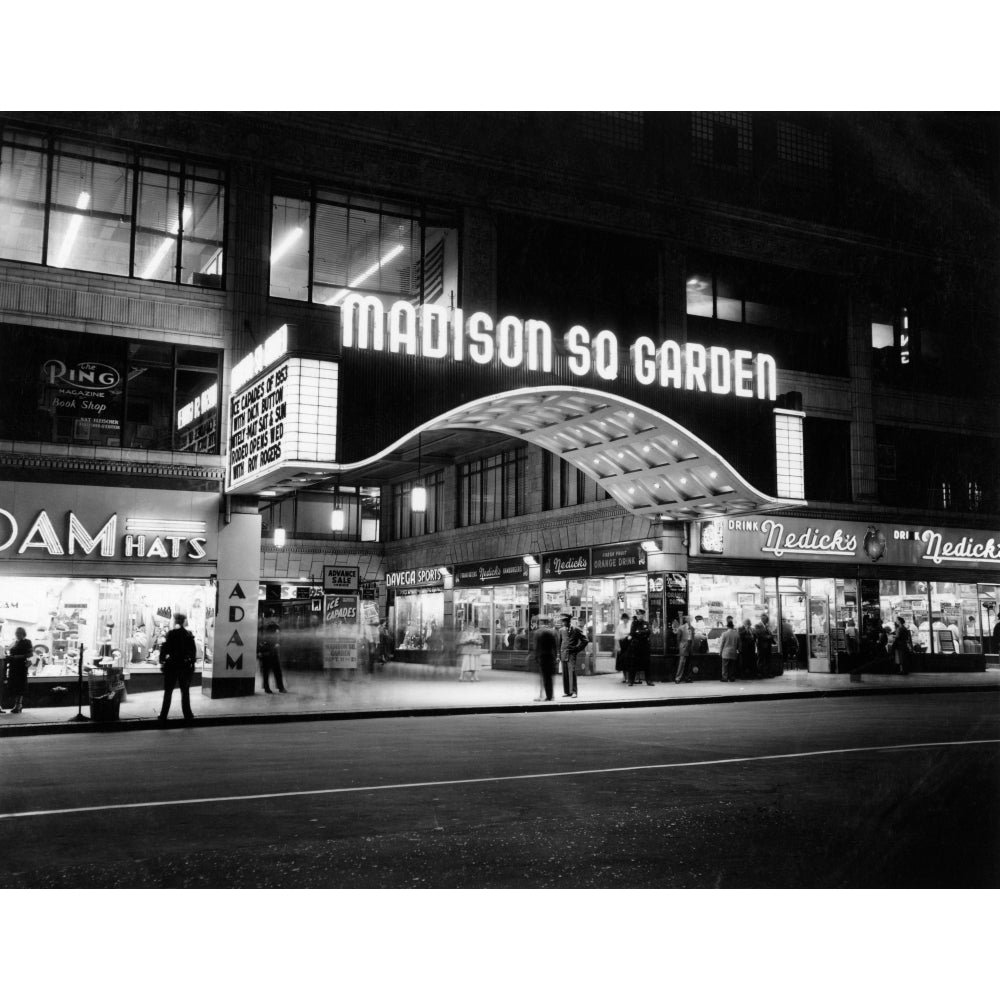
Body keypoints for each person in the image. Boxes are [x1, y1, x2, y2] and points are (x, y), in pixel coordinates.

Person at [157, 613, 197, 721]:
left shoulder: (171, 634)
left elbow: (165, 648)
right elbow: (193, 651)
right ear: (183, 621)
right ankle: (188, 714)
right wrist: (192, 664)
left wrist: (162, 660)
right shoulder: (188, 634)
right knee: (185, 692)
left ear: (175, 621)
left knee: (168, 691)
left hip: (172, 665)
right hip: (184, 665)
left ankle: (163, 715)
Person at [3, 626, 32, 714]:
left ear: (23, 633)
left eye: (19, 633)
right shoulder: (15, 642)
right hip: (13, 666)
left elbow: (30, 654)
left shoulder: (27, 642)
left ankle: (19, 705)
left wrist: (17, 657)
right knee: (15, 685)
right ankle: (16, 705)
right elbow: (7, 650)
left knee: (20, 685)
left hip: (21, 666)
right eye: (16, 633)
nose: (17, 634)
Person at [557, 613, 585, 698]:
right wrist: (558, 655)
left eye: (566, 620)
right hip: (563, 653)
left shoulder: (576, 629)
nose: (564, 622)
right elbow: (559, 643)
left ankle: (574, 691)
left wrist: (577, 648)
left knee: (571, 671)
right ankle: (567, 691)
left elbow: (585, 640)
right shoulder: (561, 630)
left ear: (569, 620)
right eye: (563, 621)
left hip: (572, 653)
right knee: (565, 673)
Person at [256, 622, 286, 693]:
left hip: (268, 654)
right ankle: (280, 687)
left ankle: (268, 688)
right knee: (275, 671)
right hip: (269, 654)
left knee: (266, 672)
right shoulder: (268, 634)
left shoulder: (263, 632)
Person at [532, 624, 558, 701]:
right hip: (551, 657)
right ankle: (550, 695)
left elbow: (537, 648)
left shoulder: (540, 636)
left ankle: (545, 696)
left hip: (543, 657)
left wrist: (536, 657)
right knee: (549, 677)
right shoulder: (552, 636)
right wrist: (556, 656)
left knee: (544, 677)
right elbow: (555, 647)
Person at [628, 608, 652, 685]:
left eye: (640, 614)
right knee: (633, 663)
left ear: (643, 615)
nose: (638, 616)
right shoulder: (634, 623)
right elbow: (632, 633)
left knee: (646, 663)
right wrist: (642, 632)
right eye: (637, 614)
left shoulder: (646, 623)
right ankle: (631, 681)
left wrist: (639, 632)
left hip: (644, 646)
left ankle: (648, 681)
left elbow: (649, 631)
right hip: (636, 645)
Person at [753, 614, 774, 679]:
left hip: (768, 646)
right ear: (763, 619)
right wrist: (768, 637)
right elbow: (758, 634)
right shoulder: (758, 625)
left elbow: (770, 633)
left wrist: (770, 636)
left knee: (768, 660)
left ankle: (767, 673)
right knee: (761, 660)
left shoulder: (767, 626)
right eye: (766, 619)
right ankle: (760, 673)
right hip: (761, 646)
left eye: (767, 619)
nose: (767, 620)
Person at [674, 614, 694, 683]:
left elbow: (693, 638)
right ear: (686, 620)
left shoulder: (692, 628)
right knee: (682, 662)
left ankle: (687, 677)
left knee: (689, 663)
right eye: (689, 619)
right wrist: (681, 646)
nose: (690, 620)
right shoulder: (681, 628)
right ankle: (677, 678)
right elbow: (678, 639)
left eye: (691, 619)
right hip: (683, 646)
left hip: (690, 646)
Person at [719, 616, 739, 682]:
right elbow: (738, 644)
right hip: (733, 652)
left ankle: (724, 678)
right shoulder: (737, 634)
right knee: (732, 666)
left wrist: (720, 652)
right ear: (733, 627)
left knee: (725, 666)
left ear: (727, 627)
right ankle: (731, 677)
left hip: (726, 652)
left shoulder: (724, 634)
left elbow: (722, 644)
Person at [615, 612, 632, 683]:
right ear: (622, 619)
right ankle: (625, 677)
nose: (625, 620)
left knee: (629, 660)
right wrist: (618, 646)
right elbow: (617, 637)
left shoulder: (631, 625)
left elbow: (632, 634)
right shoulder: (619, 626)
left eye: (626, 619)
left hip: (629, 644)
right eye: (624, 619)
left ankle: (630, 677)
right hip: (622, 644)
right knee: (623, 661)